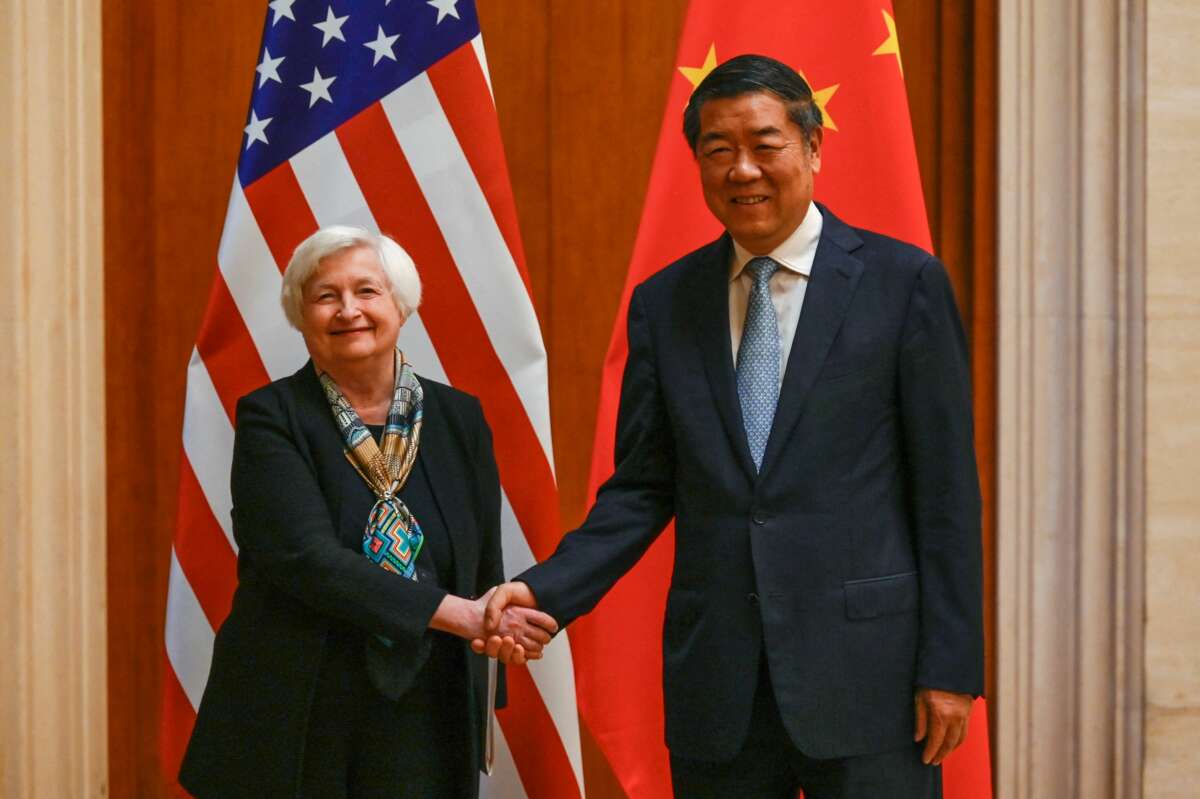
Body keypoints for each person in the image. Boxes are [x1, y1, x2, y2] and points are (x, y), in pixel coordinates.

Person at [478, 54, 984, 798]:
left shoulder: (902, 284)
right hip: (721, 684)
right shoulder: (665, 303)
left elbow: (945, 493)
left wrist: (949, 666)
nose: (742, 169)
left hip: (870, 678)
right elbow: (642, 490)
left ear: (812, 148)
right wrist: (544, 591)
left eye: (764, 144)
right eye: (718, 151)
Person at [180, 226, 556, 799]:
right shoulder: (271, 417)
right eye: (325, 296)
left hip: (431, 709)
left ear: (401, 306)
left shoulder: (459, 417)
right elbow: (307, 560)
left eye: (366, 291)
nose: (348, 310)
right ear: (301, 316)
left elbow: (483, 560)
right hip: (301, 710)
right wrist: (462, 615)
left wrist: (491, 646)